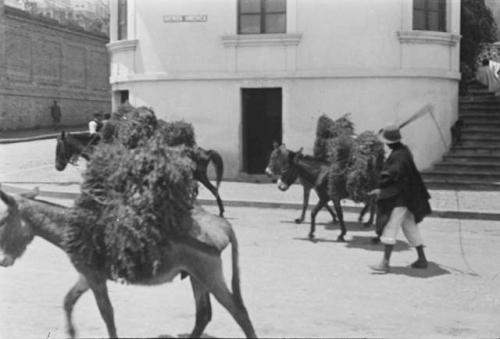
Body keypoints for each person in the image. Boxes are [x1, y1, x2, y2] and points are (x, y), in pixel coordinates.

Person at [368, 125, 432, 272]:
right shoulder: (404, 152)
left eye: (385, 142)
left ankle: (384, 263)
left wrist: (381, 191)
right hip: (408, 198)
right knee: (410, 226)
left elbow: (396, 179)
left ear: (389, 142)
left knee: (390, 226)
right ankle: (422, 259)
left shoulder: (398, 156)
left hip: (399, 199)